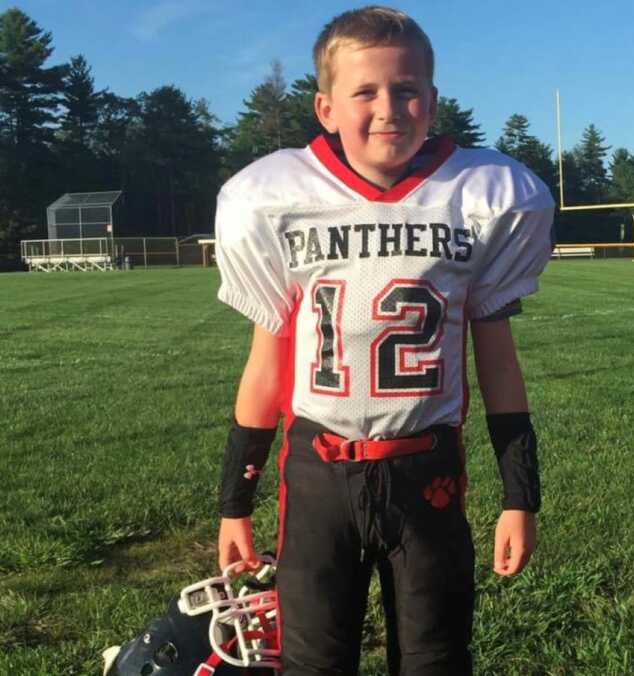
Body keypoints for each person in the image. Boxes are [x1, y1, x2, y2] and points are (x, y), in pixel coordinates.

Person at [214, 6, 554, 675]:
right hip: (317, 471)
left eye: (406, 90)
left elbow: (500, 366)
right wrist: (234, 502)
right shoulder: (278, 197)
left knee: (436, 657)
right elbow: (265, 366)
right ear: (326, 107)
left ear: (432, 100)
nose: (388, 108)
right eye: (364, 92)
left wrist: (520, 495)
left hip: (428, 468)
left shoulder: (483, 196)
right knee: (314, 660)